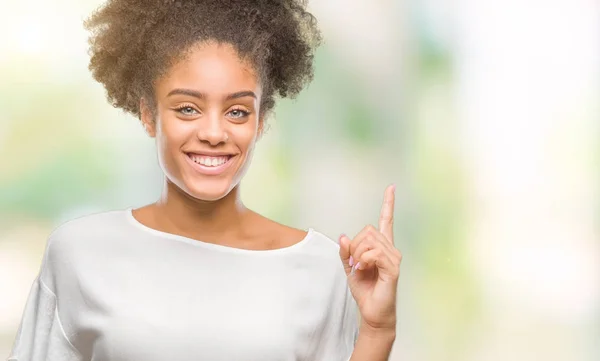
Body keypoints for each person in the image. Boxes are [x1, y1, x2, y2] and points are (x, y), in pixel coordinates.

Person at [7, 0, 402, 360]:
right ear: (148, 114)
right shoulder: (79, 254)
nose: (214, 132)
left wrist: (378, 331)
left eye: (237, 112)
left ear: (261, 121)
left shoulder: (320, 266)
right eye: (187, 108)